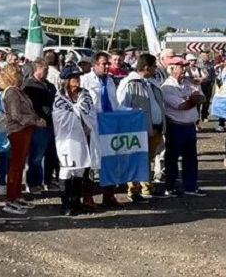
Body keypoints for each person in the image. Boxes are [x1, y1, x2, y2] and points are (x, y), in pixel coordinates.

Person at [117, 53, 166, 201]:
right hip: (138, 129)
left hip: (155, 127)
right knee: (136, 159)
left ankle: (147, 187)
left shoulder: (151, 82)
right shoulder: (130, 83)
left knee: (147, 159)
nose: (156, 68)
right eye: (154, 66)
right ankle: (133, 190)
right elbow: (121, 105)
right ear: (146, 67)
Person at [51, 65, 97, 216]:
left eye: (78, 77)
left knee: (80, 169)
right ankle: (66, 204)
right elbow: (59, 117)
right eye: (73, 78)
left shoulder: (85, 95)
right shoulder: (60, 97)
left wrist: (86, 124)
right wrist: (76, 117)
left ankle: (76, 202)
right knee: (67, 167)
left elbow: (90, 112)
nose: (76, 80)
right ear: (67, 80)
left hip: (83, 137)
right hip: (67, 139)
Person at [80, 51, 123, 208]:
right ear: (95, 65)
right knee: (91, 163)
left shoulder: (110, 81)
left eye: (108, 63)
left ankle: (109, 195)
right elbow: (81, 106)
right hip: (93, 127)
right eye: (104, 63)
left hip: (109, 126)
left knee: (110, 161)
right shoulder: (85, 80)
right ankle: (87, 196)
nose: (107, 66)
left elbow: (115, 104)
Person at [160, 56, 206, 197]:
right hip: (175, 126)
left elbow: (202, 98)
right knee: (172, 157)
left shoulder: (188, 83)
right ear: (172, 69)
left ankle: (190, 186)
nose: (184, 70)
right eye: (181, 67)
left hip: (189, 125)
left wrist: (192, 99)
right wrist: (192, 99)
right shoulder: (167, 87)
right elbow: (182, 106)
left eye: (185, 67)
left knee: (191, 158)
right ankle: (170, 186)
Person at [0, 65, 41, 215]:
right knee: (15, 166)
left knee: (20, 165)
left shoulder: (18, 90)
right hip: (18, 131)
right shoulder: (11, 92)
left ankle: (17, 195)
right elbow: (15, 115)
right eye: (17, 72)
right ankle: (10, 198)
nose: (21, 75)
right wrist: (34, 120)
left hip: (24, 131)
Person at [22, 59, 56, 194]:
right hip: (38, 125)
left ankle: (48, 181)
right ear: (37, 69)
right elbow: (27, 106)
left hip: (52, 124)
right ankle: (33, 183)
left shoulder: (50, 86)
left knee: (51, 154)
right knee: (36, 156)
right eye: (45, 69)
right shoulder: (29, 86)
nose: (47, 72)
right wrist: (36, 118)